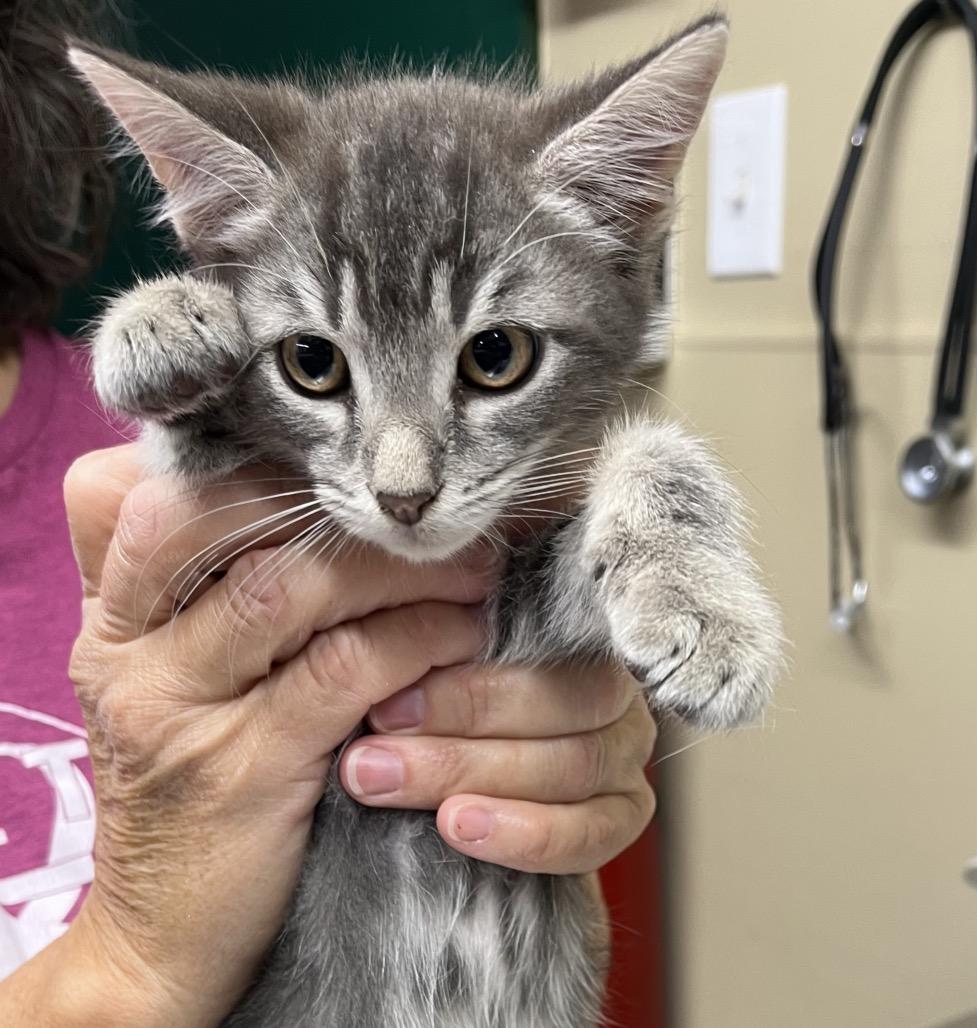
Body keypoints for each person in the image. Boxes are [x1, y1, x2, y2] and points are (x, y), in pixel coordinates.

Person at [0, 2, 657, 1021]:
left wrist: (524, 835)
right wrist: (131, 962)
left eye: (492, 355)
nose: (403, 481)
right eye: (316, 360)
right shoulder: (207, 396)